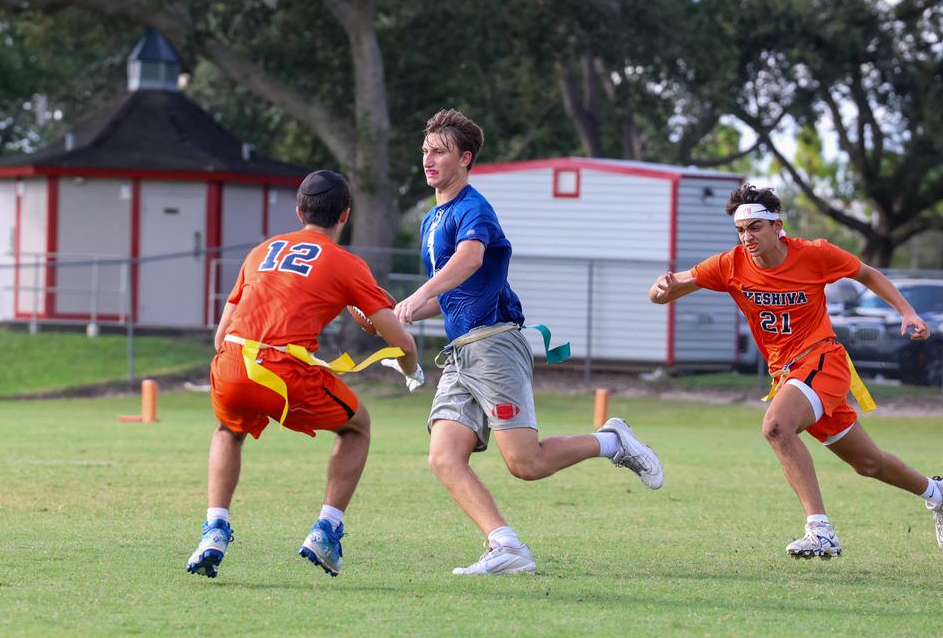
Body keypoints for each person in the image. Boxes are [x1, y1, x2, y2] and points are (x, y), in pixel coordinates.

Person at [392, 108, 664, 576]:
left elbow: (470, 260)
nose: (428, 160)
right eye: (425, 151)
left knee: (525, 463)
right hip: (461, 354)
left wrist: (418, 295)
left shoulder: (473, 208)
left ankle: (611, 441)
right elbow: (453, 291)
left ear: (466, 158)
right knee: (443, 457)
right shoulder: (431, 219)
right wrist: (404, 311)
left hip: (493, 345)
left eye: (439, 152)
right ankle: (506, 546)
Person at [649, 184, 943, 557]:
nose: (747, 237)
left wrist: (907, 312)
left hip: (823, 360)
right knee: (869, 463)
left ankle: (820, 532)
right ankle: (937, 493)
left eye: (755, 227)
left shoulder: (814, 254)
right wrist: (660, 289)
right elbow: (666, 290)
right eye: (741, 230)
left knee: (775, 426)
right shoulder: (729, 264)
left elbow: (867, 274)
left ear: (777, 226)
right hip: (789, 376)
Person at [186, 169, 421, 579]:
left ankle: (214, 528)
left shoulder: (261, 251)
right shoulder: (346, 263)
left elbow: (220, 336)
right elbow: (402, 342)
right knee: (357, 427)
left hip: (233, 363)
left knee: (228, 430)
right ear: (345, 215)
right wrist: (412, 372)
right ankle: (326, 530)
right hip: (286, 372)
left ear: (299, 211)